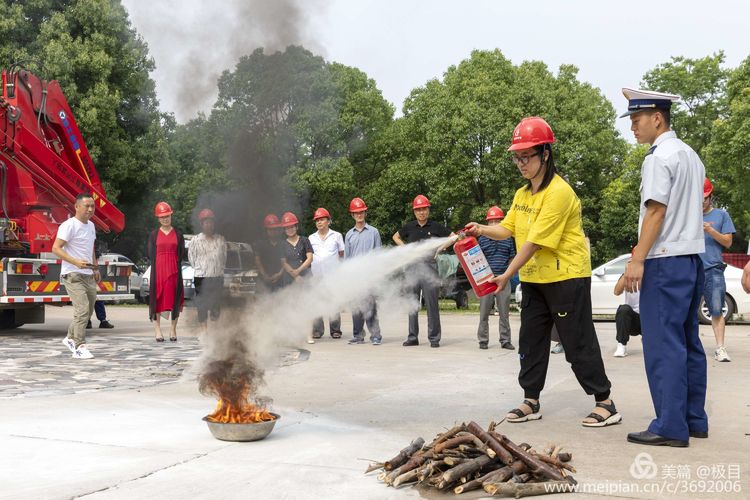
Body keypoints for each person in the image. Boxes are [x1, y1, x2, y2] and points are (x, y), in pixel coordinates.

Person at [466, 116, 619, 428]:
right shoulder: (523, 195)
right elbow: (509, 228)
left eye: (527, 157)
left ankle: (605, 401)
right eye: (517, 157)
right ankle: (531, 399)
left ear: (545, 154)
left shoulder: (559, 193)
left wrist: (506, 274)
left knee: (577, 341)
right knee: (531, 341)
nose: (521, 164)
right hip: (535, 279)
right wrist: (481, 228)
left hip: (567, 277)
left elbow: (534, 242)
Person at [620, 88, 707, 447]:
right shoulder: (690, 155)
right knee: (688, 342)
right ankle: (693, 419)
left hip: (665, 259)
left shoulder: (658, 158)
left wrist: (637, 257)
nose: (633, 128)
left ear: (657, 118)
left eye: (637, 121)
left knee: (663, 345)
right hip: (692, 258)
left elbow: (656, 211)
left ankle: (670, 425)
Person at [393, 194, 451, 348]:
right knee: (412, 302)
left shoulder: (436, 226)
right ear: (414, 212)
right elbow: (396, 237)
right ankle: (412, 337)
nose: (421, 212)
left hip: (430, 267)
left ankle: (434, 338)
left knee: (432, 303)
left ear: (428, 210)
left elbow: (453, 237)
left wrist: (441, 248)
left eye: (424, 209)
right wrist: (407, 249)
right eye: (418, 210)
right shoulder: (410, 226)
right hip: (412, 267)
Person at [53, 192, 100, 359]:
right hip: (72, 274)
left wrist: (95, 268)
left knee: (88, 311)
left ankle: (70, 338)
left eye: (92, 206)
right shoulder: (69, 225)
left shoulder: (91, 226)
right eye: (86, 206)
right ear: (77, 207)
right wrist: (75, 262)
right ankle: (79, 347)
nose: (89, 209)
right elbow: (56, 248)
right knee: (81, 310)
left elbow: (91, 248)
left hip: (88, 273)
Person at [700, 178, 735, 362]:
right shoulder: (688, 216)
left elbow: (728, 242)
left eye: (705, 197)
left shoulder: (721, 215)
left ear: (710, 196)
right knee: (685, 311)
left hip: (713, 269)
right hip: (690, 270)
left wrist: (710, 231)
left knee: (715, 310)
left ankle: (720, 348)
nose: (702, 201)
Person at [476, 206, 516, 350]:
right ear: (487, 223)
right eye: (491, 221)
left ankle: (505, 340)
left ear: (502, 222)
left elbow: (512, 259)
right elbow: (477, 260)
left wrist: (508, 275)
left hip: (503, 279)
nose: (494, 224)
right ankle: (483, 340)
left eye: (497, 221)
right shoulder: (482, 239)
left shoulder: (508, 238)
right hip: (487, 280)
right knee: (484, 313)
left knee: (504, 313)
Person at [345, 197, 382, 345]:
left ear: (365, 213)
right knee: (356, 308)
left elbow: (378, 255)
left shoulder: (374, 232)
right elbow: (347, 259)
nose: (359, 215)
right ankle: (358, 336)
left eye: (361, 212)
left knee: (371, 307)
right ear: (352, 215)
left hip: (369, 276)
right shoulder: (349, 235)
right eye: (356, 212)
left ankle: (375, 336)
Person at [148, 202, 186, 342]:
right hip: (158, 271)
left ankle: (173, 329)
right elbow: (151, 254)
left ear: (171, 215)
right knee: (157, 300)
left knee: (174, 299)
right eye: (162, 216)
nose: (165, 219)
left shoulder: (178, 234)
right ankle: (157, 330)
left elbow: (181, 253)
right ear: (158, 218)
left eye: (167, 216)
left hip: (174, 271)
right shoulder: (153, 235)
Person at [188, 208, 227, 335]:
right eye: (206, 222)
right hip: (201, 277)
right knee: (202, 305)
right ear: (202, 224)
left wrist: (217, 269)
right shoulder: (195, 240)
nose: (209, 225)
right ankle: (204, 331)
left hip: (217, 276)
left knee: (216, 304)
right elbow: (191, 258)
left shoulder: (220, 239)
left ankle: (214, 330)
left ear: (214, 224)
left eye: (211, 222)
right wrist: (201, 268)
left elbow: (224, 258)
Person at [309, 207, 345, 340]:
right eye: (317, 220)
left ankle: (335, 330)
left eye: (322, 219)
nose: (319, 222)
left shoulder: (337, 236)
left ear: (328, 221)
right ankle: (318, 330)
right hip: (316, 276)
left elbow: (341, 254)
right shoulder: (311, 238)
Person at [279, 211, 314, 343]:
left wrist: (298, 271)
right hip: (289, 278)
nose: (290, 229)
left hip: (305, 276)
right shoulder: (282, 244)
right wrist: (293, 274)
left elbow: (310, 258)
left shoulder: (305, 240)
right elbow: (282, 262)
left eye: (292, 226)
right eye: (287, 227)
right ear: (284, 229)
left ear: (296, 226)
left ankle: (308, 335)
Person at [255, 214, 287, 292]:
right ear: (266, 230)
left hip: (281, 280)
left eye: (275, 229)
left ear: (278, 230)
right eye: (270, 229)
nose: (273, 231)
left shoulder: (284, 244)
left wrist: (279, 274)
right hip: (264, 281)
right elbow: (257, 261)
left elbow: (287, 261)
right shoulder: (260, 244)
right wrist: (264, 275)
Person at [612, 272, 640, 357]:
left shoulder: (652, 273)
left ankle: (649, 340)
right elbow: (616, 292)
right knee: (623, 309)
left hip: (648, 318)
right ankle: (621, 345)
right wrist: (627, 273)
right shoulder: (627, 275)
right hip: (633, 319)